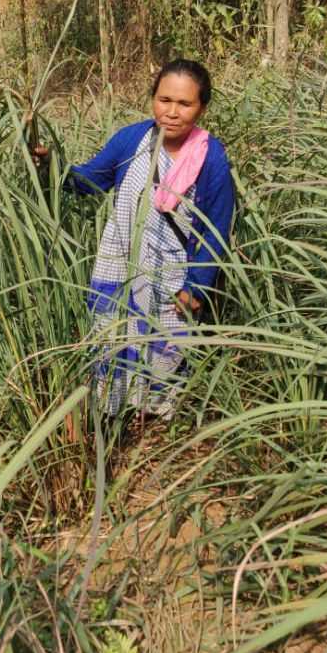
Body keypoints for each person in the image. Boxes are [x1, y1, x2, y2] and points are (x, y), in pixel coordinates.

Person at [63, 59, 234, 418]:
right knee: (111, 343)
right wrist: (51, 168)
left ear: (202, 107)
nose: (171, 112)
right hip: (118, 265)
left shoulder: (211, 159)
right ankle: (111, 418)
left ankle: (155, 430)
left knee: (163, 359)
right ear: (153, 98)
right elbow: (91, 179)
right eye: (164, 100)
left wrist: (196, 288)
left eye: (184, 104)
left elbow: (215, 230)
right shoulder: (131, 140)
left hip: (171, 279)